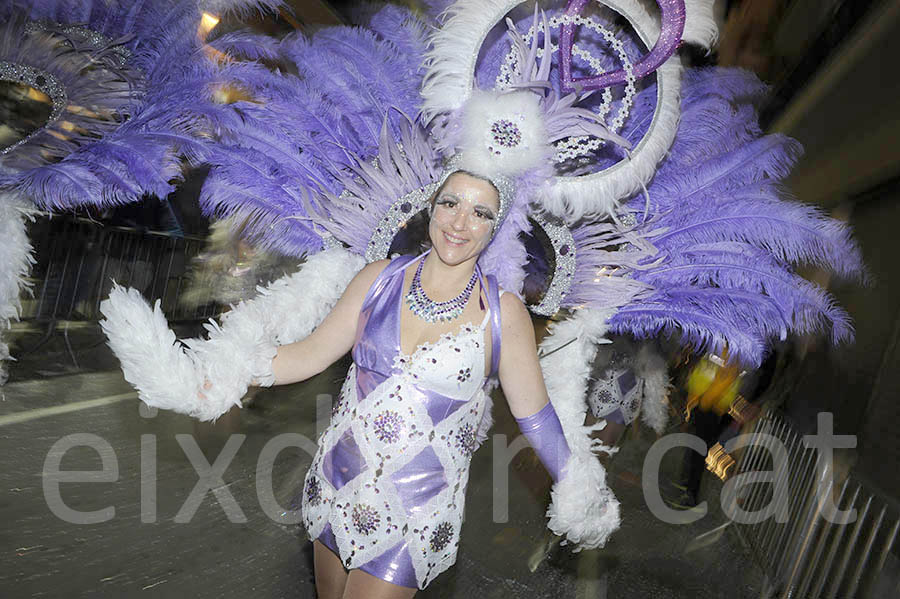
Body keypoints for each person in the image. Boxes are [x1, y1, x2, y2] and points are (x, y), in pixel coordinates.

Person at [262, 170, 571, 597]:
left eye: (480, 212)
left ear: (495, 228)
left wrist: (579, 488)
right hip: (338, 485)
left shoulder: (502, 313)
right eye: (450, 203)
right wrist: (222, 368)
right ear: (431, 205)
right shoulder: (378, 278)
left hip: (415, 513)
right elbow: (306, 355)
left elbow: (536, 417)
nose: (460, 223)